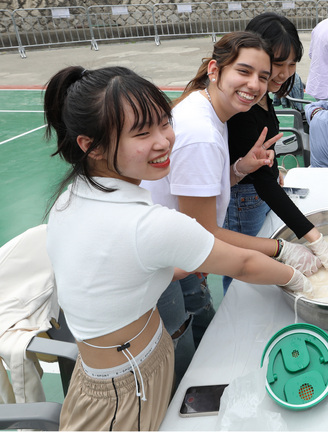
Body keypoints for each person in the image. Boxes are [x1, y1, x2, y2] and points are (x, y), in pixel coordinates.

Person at [43, 65, 311, 430]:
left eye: (164, 122)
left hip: (115, 368)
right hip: (126, 390)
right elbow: (245, 265)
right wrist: (301, 278)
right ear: (91, 145)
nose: (164, 141)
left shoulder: (71, 197)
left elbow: (131, 270)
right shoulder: (146, 223)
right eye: (142, 133)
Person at [141, 32, 326, 382]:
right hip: (160, 268)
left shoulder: (207, 109)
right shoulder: (202, 133)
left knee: (203, 325)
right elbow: (205, 235)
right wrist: (282, 250)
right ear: (215, 69)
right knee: (177, 354)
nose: (254, 84)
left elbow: (196, 193)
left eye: (262, 76)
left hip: (176, 252)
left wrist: (240, 169)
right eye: (244, 71)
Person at [223, 13, 328, 293]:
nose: (285, 73)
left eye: (292, 64)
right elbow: (262, 183)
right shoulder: (243, 108)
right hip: (244, 197)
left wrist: (274, 169)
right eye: (278, 63)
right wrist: (314, 238)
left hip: (260, 190)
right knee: (241, 270)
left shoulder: (263, 93)